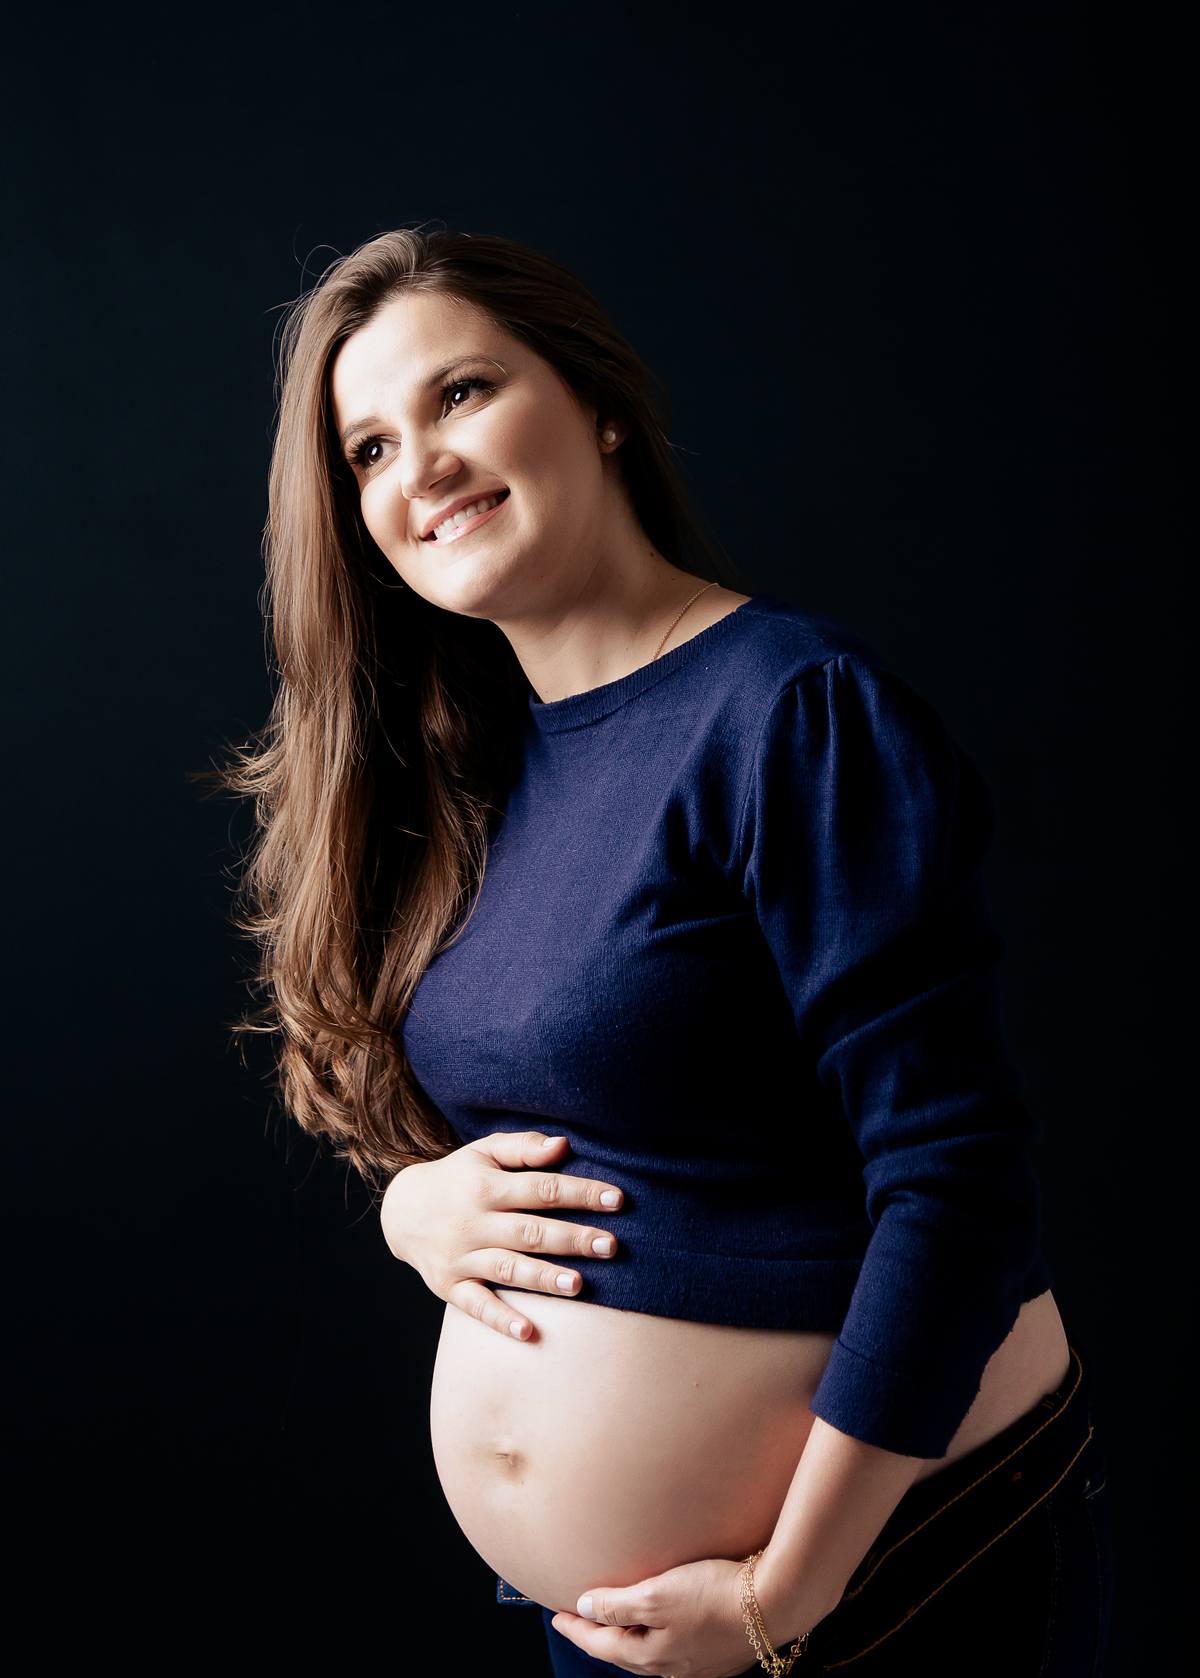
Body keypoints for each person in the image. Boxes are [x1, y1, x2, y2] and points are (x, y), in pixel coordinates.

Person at [230, 228, 1112, 1676]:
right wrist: (413, 1211)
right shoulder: (476, 774)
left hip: (883, 1576)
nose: (421, 466)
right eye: (369, 448)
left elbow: (960, 1189)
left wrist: (785, 1592)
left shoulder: (792, 714)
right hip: (641, 1618)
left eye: (462, 393)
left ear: (598, 403)